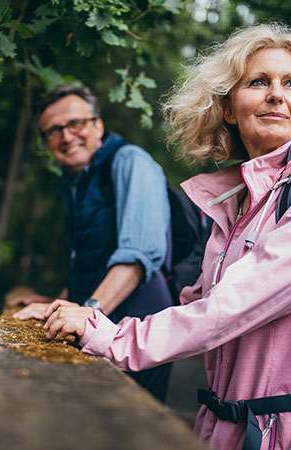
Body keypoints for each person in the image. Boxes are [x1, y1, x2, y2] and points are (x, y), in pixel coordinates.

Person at [40, 24, 291, 450]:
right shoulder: (237, 199)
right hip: (224, 427)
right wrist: (69, 315)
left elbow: (246, 297)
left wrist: (111, 336)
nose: (276, 93)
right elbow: (197, 305)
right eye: (258, 82)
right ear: (229, 108)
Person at [9, 85, 174, 401]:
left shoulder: (130, 161)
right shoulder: (75, 183)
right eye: (53, 131)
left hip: (137, 330)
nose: (67, 136)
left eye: (76, 123)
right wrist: (56, 302)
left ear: (98, 124)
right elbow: (88, 260)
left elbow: (137, 255)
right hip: (97, 324)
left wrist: (89, 312)